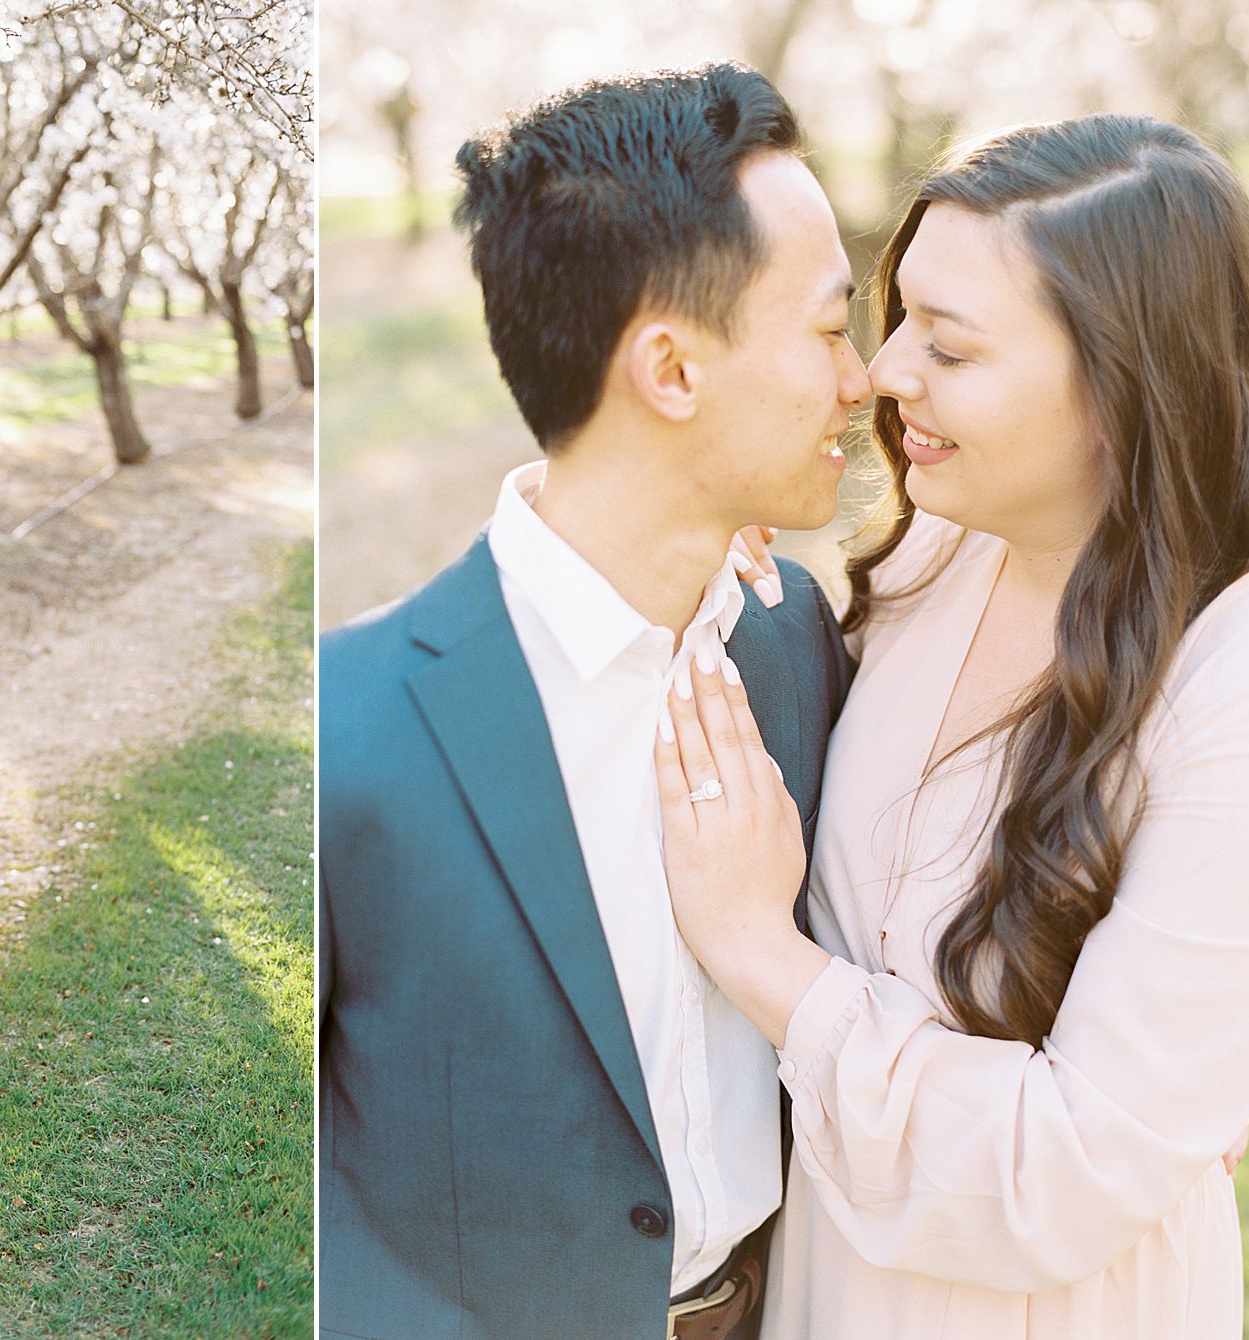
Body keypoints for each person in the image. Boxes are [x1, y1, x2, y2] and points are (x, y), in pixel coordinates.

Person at [654, 115, 1249, 1338]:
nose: (881, 370)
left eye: (947, 349)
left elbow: (1062, 1176)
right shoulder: (944, 543)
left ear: (1124, 387)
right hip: (825, 1270)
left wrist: (759, 952)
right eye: (894, 313)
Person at [318, 65, 867, 1339]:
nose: (861, 380)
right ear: (670, 368)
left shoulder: (792, 642)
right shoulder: (358, 733)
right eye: (831, 326)